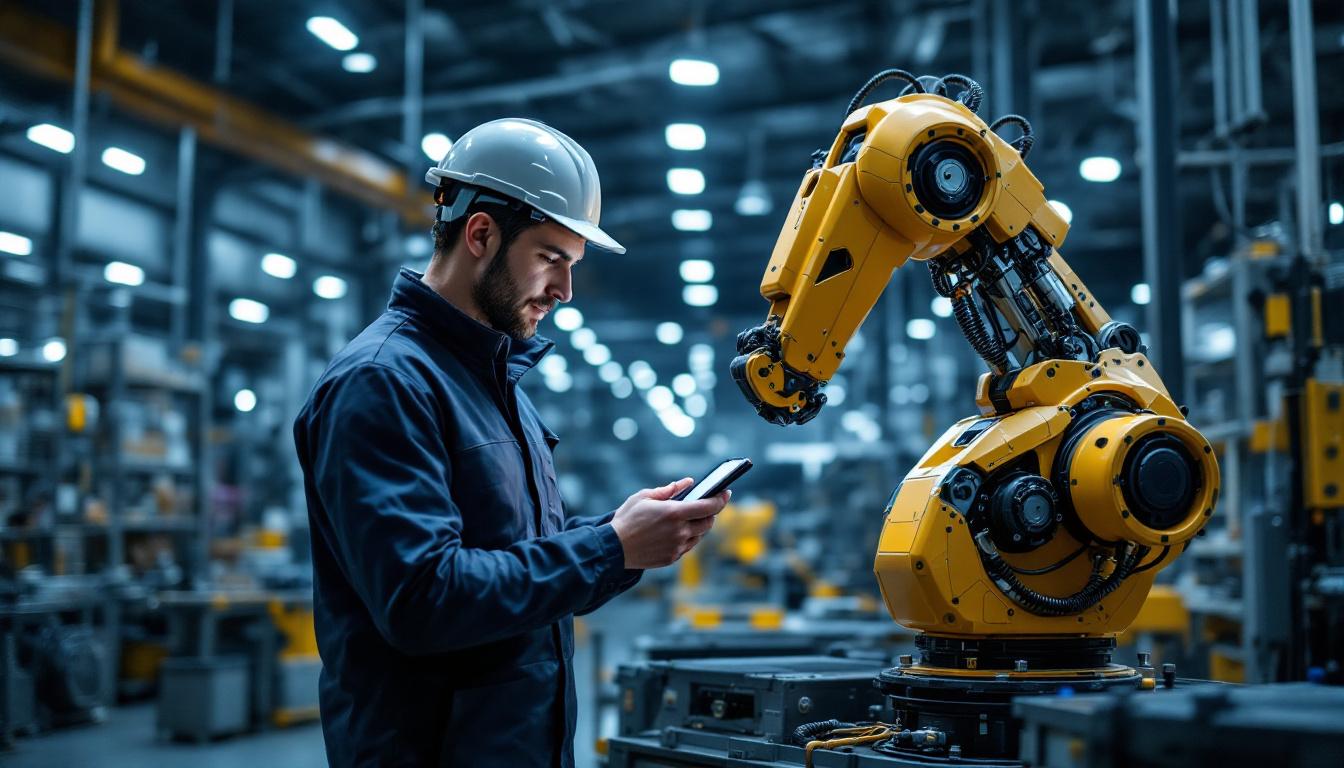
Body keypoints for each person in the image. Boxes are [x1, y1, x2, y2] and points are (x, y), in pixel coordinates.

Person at [293, 118, 729, 767]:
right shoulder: (382, 383)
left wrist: (622, 535)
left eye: (572, 266)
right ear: (480, 234)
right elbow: (423, 599)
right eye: (552, 258)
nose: (564, 290)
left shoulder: (496, 385)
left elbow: (511, 558)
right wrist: (607, 549)